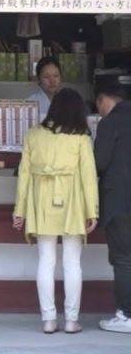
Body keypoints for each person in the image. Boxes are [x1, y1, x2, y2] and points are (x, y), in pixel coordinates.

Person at [13, 88, 99, 334]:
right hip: (72, 199)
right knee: (73, 263)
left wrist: (19, 210)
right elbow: (88, 177)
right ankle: (72, 320)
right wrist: (92, 209)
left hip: (41, 199)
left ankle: (48, 319)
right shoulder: (81, 137)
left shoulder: (33, 135)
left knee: (46, 261)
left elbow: (24, 176)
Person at [95, 82, 131, 333]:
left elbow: (99, 162)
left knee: (123, 258)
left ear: (105, 100)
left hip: (120, 201)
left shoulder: (109, 123)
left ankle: (126, 315)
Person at [28, 56, 62, 122]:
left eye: (56, 76)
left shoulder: (68, 102)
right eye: (46, 77)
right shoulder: (30, 103)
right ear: (38, 79)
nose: (52, 81)